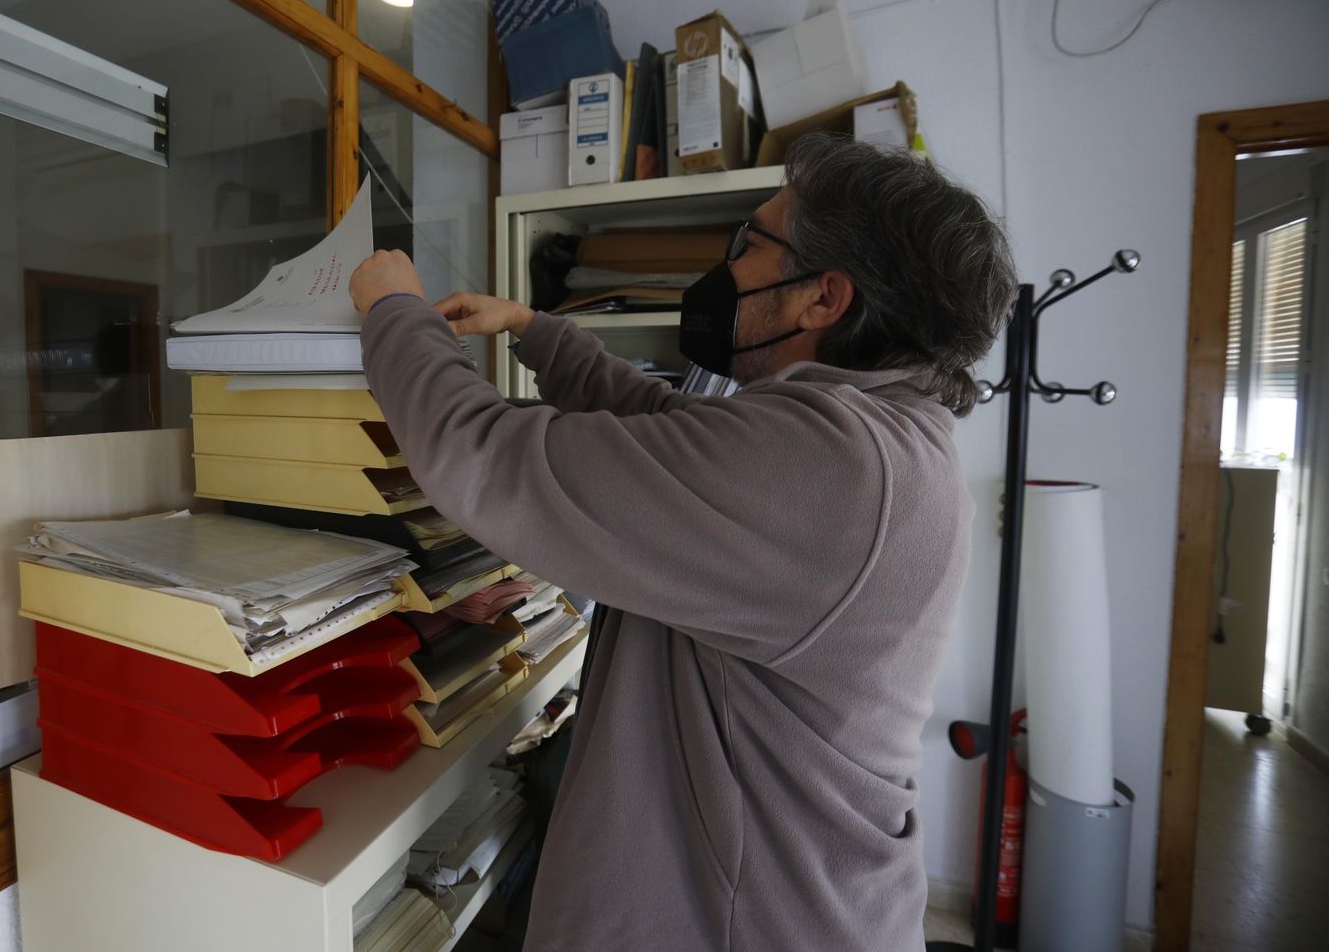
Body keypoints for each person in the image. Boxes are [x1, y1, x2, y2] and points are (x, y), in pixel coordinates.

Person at [348, 132, 1018, 952]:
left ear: (824, 298)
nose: (728, 269)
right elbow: (675, 435)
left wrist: (394, 314)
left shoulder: (832, 467)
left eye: (752, 244)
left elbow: (481, 457)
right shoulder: (883, 439)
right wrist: (533, 326)